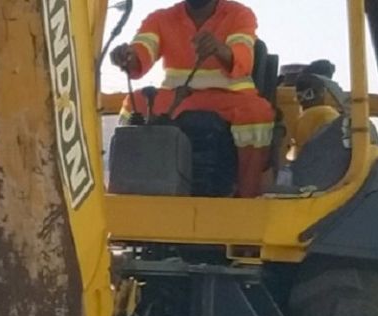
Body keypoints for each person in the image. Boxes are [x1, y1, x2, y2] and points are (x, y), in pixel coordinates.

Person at [111, 0, 275, 197]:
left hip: (229, 98)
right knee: (134, 103)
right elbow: (142, 51)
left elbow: (243, 56)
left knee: (257, 114)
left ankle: (248, 199)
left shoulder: (239, 14)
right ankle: (124, 192)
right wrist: (128, 56)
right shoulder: (160, 18)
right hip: (177, 98)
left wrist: (219, 49)